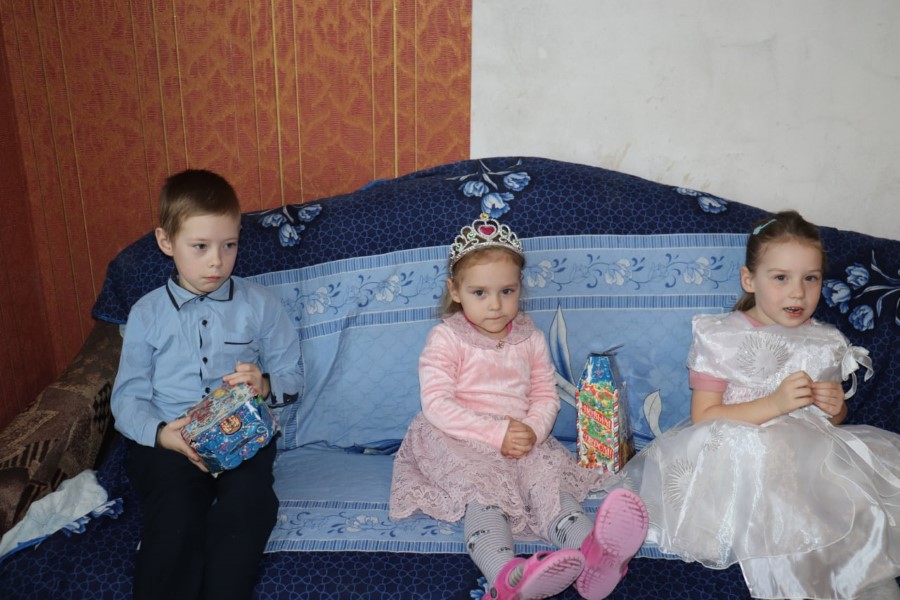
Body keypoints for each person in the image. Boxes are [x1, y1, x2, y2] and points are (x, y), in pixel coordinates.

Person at [614, 210, 900, 599]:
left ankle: (862, 578)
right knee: (779, 480)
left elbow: (828, 423)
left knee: (855, 503)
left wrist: (835, 408)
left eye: (811, 278)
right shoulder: (722, 336)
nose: (797, 293)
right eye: (781, 278)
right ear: (749, 279)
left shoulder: (825, 341)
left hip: (810, 456)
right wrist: (775, 404)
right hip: (738, 453)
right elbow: (705, 416)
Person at [389, 217, 648, 600]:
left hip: (521, 437)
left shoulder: (531, 337)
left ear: (519, 288)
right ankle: (506, 576)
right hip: (459, 438)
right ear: (455, 291)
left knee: (550, 486)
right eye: (480, 292)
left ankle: (594, 553)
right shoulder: (446, 338)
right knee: (485, 496)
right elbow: (437, 404)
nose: (495, 305)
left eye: (506, 291)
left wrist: (533, 430)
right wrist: (496, 433)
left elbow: (545, 394)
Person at [111, 169, 303, 600]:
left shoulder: (261, 305)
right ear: (166, 242)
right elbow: (127, 398)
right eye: (200, 246)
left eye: (228, 245)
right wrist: (163, 435)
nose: (217, 261)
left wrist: (264, 384)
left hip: (242, 434)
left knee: (252, 504)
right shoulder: (146, 314)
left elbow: (294, 378)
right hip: (169, 438)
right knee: (177, 512)